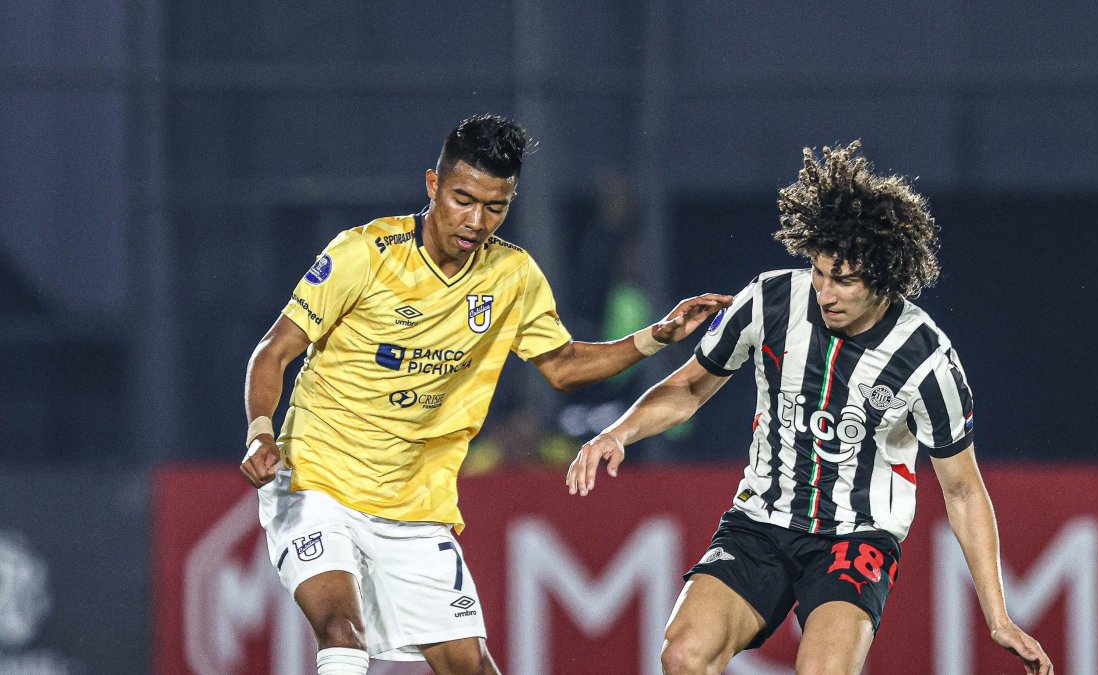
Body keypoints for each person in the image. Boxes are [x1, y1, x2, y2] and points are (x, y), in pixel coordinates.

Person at [239, 114, 731, 675]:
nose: (476, 221)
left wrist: (654, 337)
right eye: (463, 200)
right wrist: (259, 431)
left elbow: (563, 367)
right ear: (433, 185)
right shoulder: (364, 254)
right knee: (341, 631)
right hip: (315, 480)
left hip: (415, 505)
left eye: (495, 207)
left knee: (469, 664)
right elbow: (273, 351)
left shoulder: (511, 275)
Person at [566, 142, 1053, 675]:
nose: (825, 292)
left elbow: (962, 490)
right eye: (819, 272)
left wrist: (999, 618)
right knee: (682, 656)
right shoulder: (769, 301)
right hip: (760, 520)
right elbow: (687, 390)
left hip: (857, 536)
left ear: (884, 277)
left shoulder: (927, 361)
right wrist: (617, 433)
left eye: (844, 280)